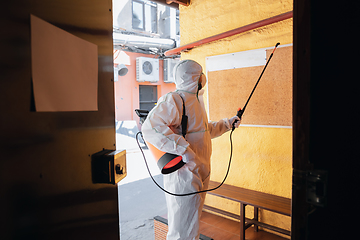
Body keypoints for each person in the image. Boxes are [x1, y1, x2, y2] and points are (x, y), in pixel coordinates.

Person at [141, 59, 241, 240]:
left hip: (199, 170)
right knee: (181, 229)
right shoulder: (174, 100)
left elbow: (205, 130)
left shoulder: (196, 101)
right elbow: (150, 127)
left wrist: (227, 124)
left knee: (191, 223)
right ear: (196, 78)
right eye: (201, 74)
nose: (204, 77)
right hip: (183, 174)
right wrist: (184, 150)